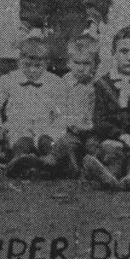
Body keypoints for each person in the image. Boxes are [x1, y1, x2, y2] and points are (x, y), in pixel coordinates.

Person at [82, 24, 130, 191]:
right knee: (109, 151)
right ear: (114, 53)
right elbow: (99, 120)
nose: (129, 57)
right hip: (110, 137)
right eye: (123, 52)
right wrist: (121, 137)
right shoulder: (103, 84)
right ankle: (107, 175)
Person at [0, 36, 69, 176]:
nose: (32, 71)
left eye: (38, 66)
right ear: (19, 62)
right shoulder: (9, 79)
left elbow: (62, 109)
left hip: (44, 125)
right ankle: (19, 161)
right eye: (27, 65)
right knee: (21, 141)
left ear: (46, 63)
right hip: (18, 124)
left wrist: (57, 127)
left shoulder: (55, 82)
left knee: (47, 141)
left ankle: (49, 162)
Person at [53, 35, 98, 178]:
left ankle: (91, 170)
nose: (81, 68)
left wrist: (91, 126)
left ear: (95, 64)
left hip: (91, 131)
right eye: (77, 63)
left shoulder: (97, 84)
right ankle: (72, 169)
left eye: (86, 64)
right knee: (66, 144)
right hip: (70, 130)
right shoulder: (63, 84)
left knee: (94, 146)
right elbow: (58, 110)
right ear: (69, 63)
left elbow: (98, 110)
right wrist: (71, 124)